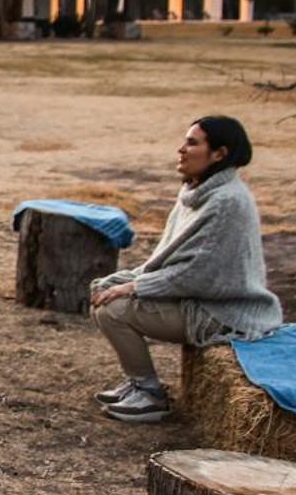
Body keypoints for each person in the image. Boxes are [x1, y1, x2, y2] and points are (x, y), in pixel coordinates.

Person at [89, 116, 283, 423]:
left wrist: (134, 287)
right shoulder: (196, 192)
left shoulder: (226, 202)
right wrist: (126, 279)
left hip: (223, 312)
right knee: (104, 291)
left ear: (219, 153)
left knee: (114, 309)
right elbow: (167, 258)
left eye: (192, 143)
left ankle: (150, 394)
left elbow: (199, 275)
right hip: (197, 297)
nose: (181, 150)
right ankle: (138, 384)